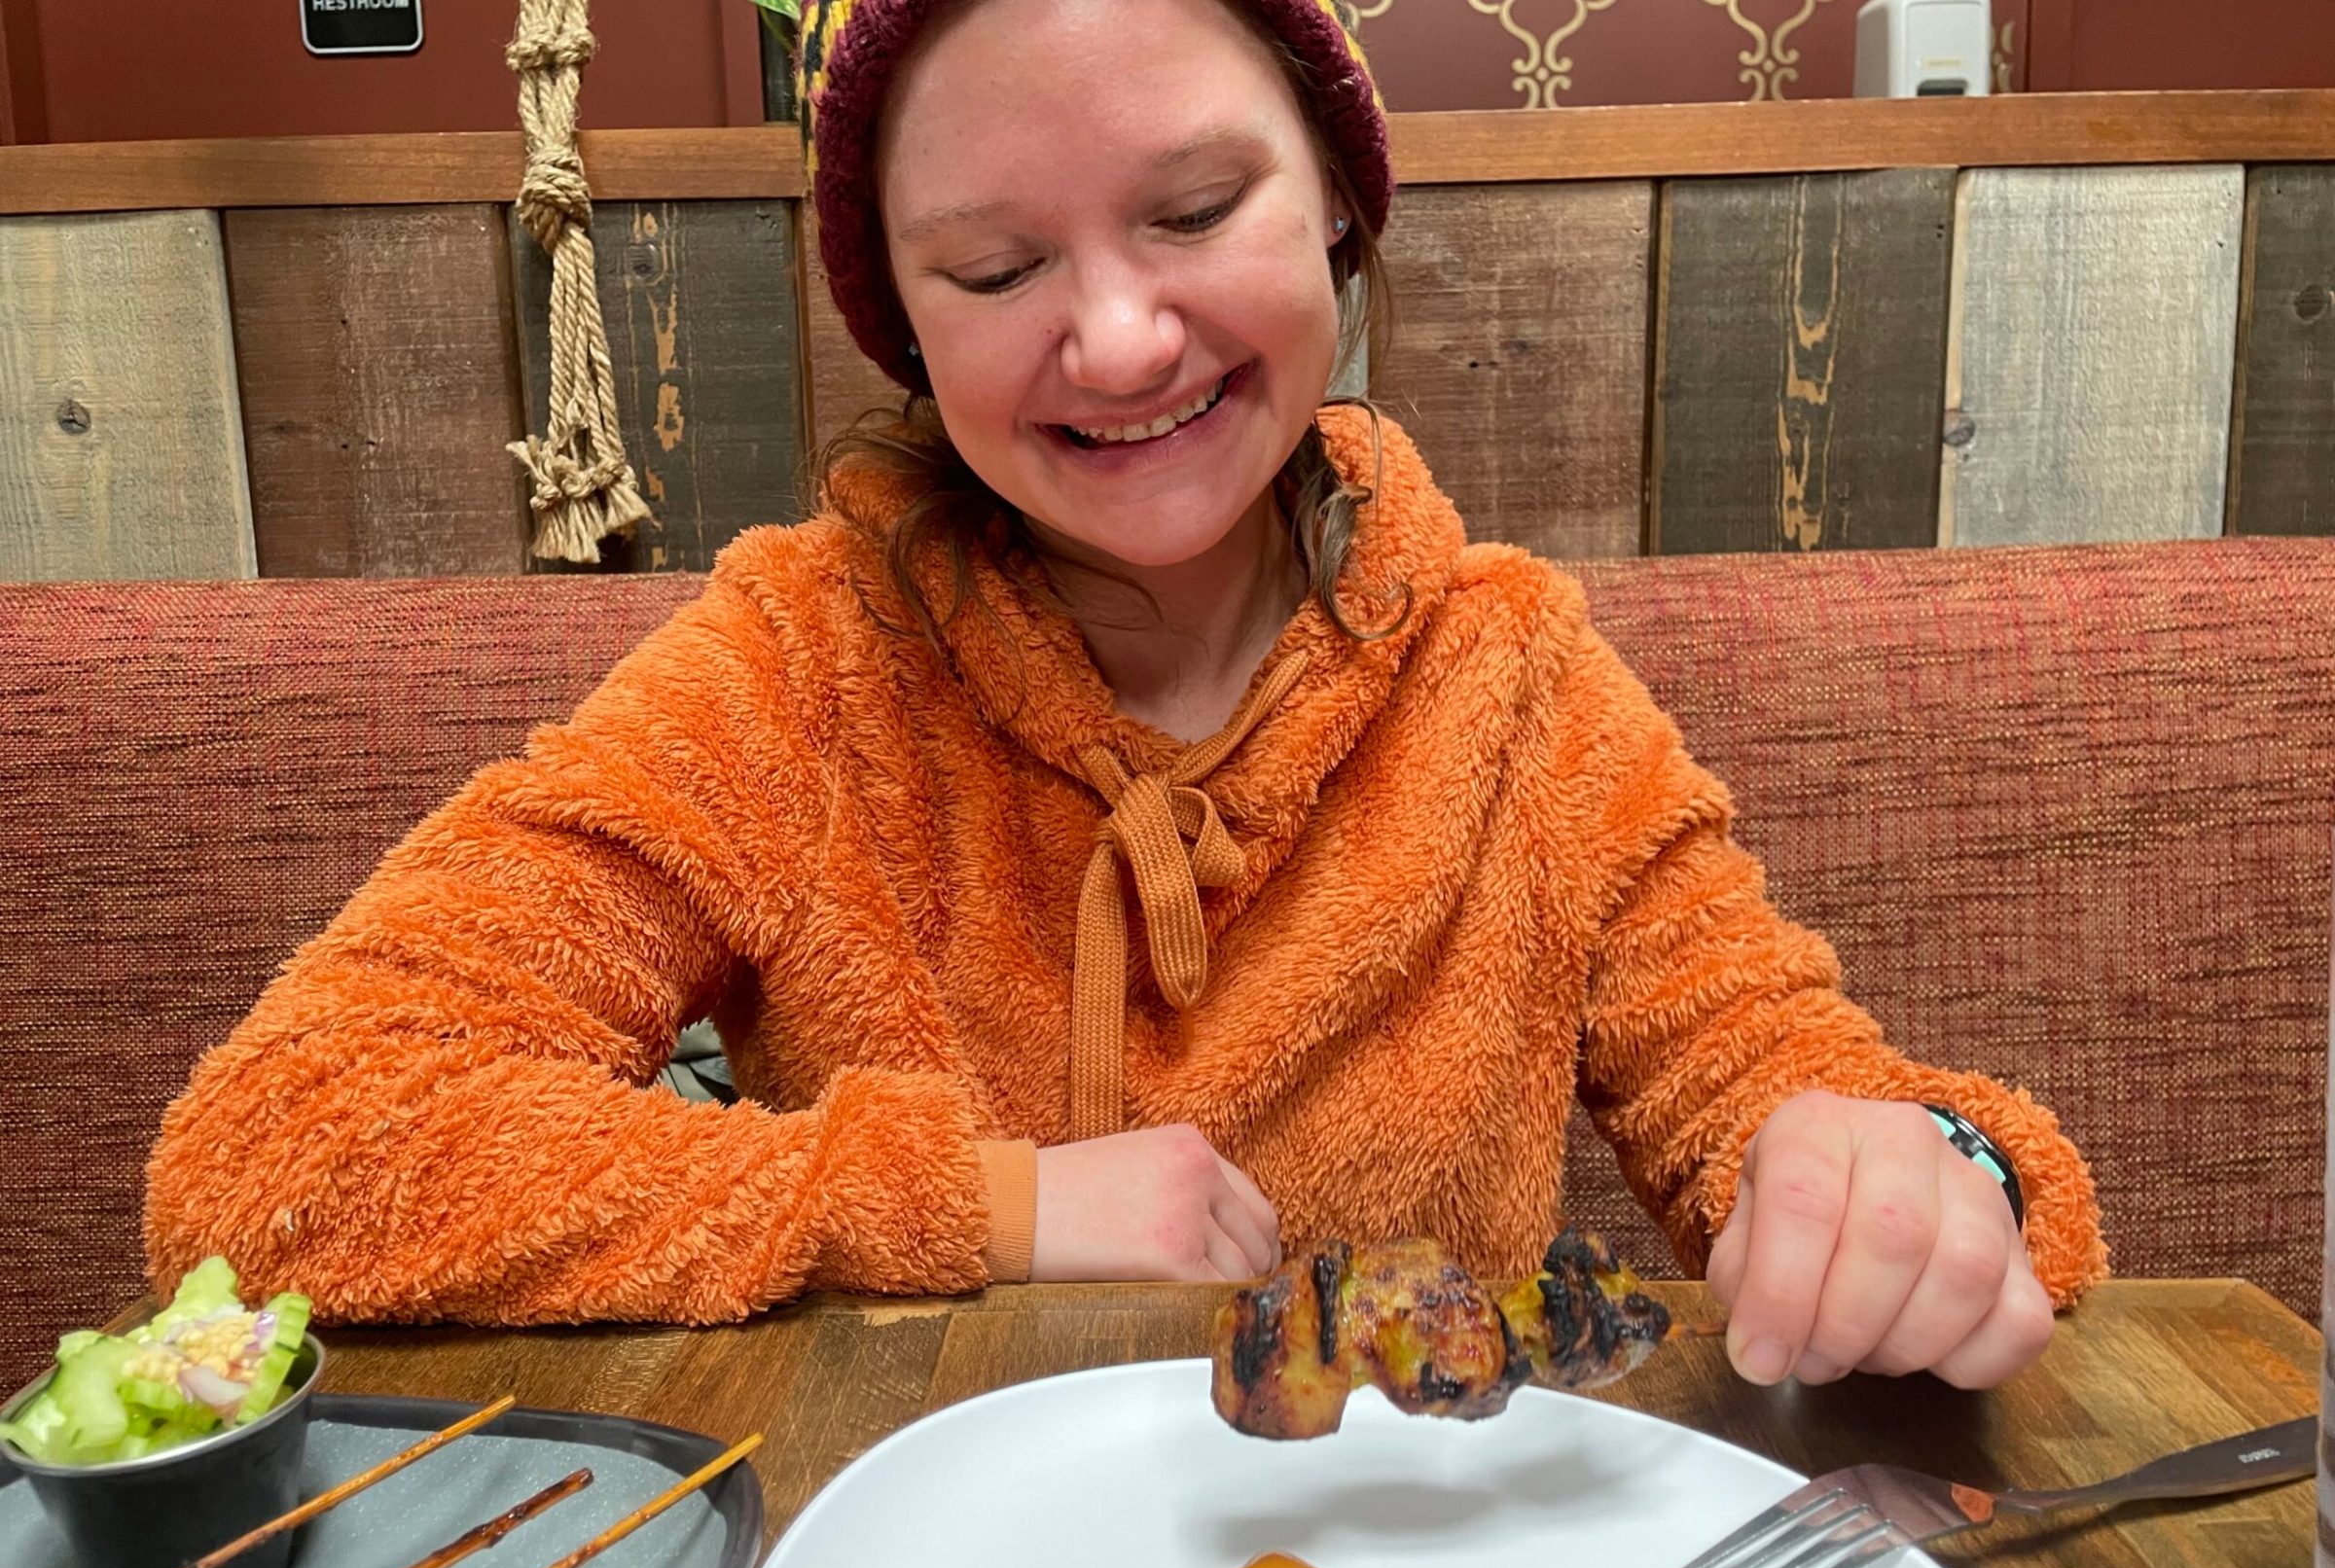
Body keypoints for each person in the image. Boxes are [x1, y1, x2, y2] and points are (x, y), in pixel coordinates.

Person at [144, 0, 2104, 1392]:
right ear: (903, 324)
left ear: (1332, 204)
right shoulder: (793, 667)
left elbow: (1813, 1099)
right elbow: (274, 1158)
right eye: (996, 268)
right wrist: (984, 1205)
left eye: (1191, 210)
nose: (1116, 337)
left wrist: (1920, 1186)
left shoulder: (1516, 682)